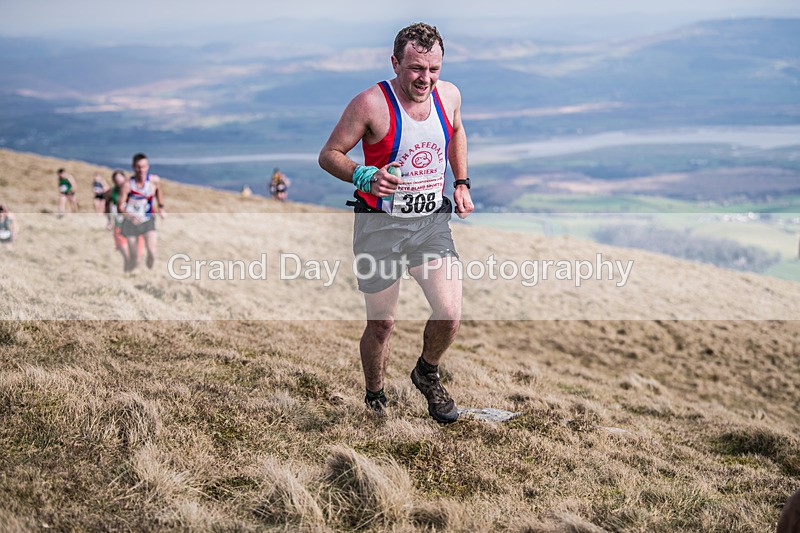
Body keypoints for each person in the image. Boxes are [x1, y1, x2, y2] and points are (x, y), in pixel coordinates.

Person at [319, 22, 474, 423]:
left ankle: (426, 373)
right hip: (379, 227)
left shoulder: (449, 94)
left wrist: (460, 182)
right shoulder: (370, 103)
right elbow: (330, 154)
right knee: (383, 323)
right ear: (395, 62)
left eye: (433, 69)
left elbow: (456, 131)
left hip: (429, 224)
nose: (425, 78)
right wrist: (364, 175)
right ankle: (375, 397)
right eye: (416, 69)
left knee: (449, 314)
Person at [118, 153, 165, 272]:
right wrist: (130, 217)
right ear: (133, 167)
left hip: (148, 220)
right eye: (138, 167)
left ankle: (150, 267)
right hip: (131, 223)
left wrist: (161, 208)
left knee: (152, 251)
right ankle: (129, 276)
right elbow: (120, 206)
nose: (141, 170)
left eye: (143, 167)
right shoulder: (127, 184)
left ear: (148, 167)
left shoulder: (153, 180)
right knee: (134, 257)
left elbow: (159, 191)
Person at [105, 170, 144, 271]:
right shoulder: (111, 192)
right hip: (119, 224)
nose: (119, 182)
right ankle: (126, 275)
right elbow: (107, 207)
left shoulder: (134, 190)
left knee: (136, 257)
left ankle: (133, 276)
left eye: (121, 180)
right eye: (116, 180)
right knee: (126, 255)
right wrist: (109, 220)